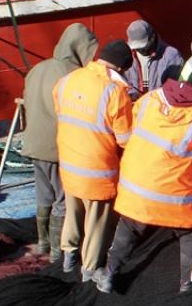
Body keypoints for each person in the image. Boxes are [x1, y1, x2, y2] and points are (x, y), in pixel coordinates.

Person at [98, 60, 192, 294]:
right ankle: (190, 284)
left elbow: (134, 127)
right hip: (169, 193)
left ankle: (108, 273)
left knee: (130, 224)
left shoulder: (151, 98)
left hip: (133, 184)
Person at [53, 39, 135, 280]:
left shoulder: (68, 80)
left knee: (73, 212)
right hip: (96, 172)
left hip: (69, 164)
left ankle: (68, 254)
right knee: (96, 223)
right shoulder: (115, 91)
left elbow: (62, 112)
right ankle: (89, 269)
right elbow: (125, 139)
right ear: (120, 68)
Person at [20, 23, 98, 263]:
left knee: (43, 195)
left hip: (34, 144)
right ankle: (57, 252)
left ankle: (43, 243)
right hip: (58, 147)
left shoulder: (38, 68)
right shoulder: (73, 75)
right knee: (63, 200)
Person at [122, 19, 184, 99]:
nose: (139, 50)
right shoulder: (127, 54)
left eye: (142, 46)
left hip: (159, 103)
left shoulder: (172, 56)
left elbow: (175, 88)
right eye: (136, 47)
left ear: (152, 37)